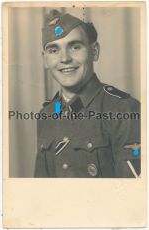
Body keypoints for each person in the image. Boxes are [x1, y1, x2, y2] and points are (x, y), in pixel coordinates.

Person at [34, 9, 141, 178]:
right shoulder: (46, 115)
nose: (65, 59)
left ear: (95, 51)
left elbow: (131, 195)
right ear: (45, 59)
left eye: (75, 46)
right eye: (54, 50)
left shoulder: (122, 108)